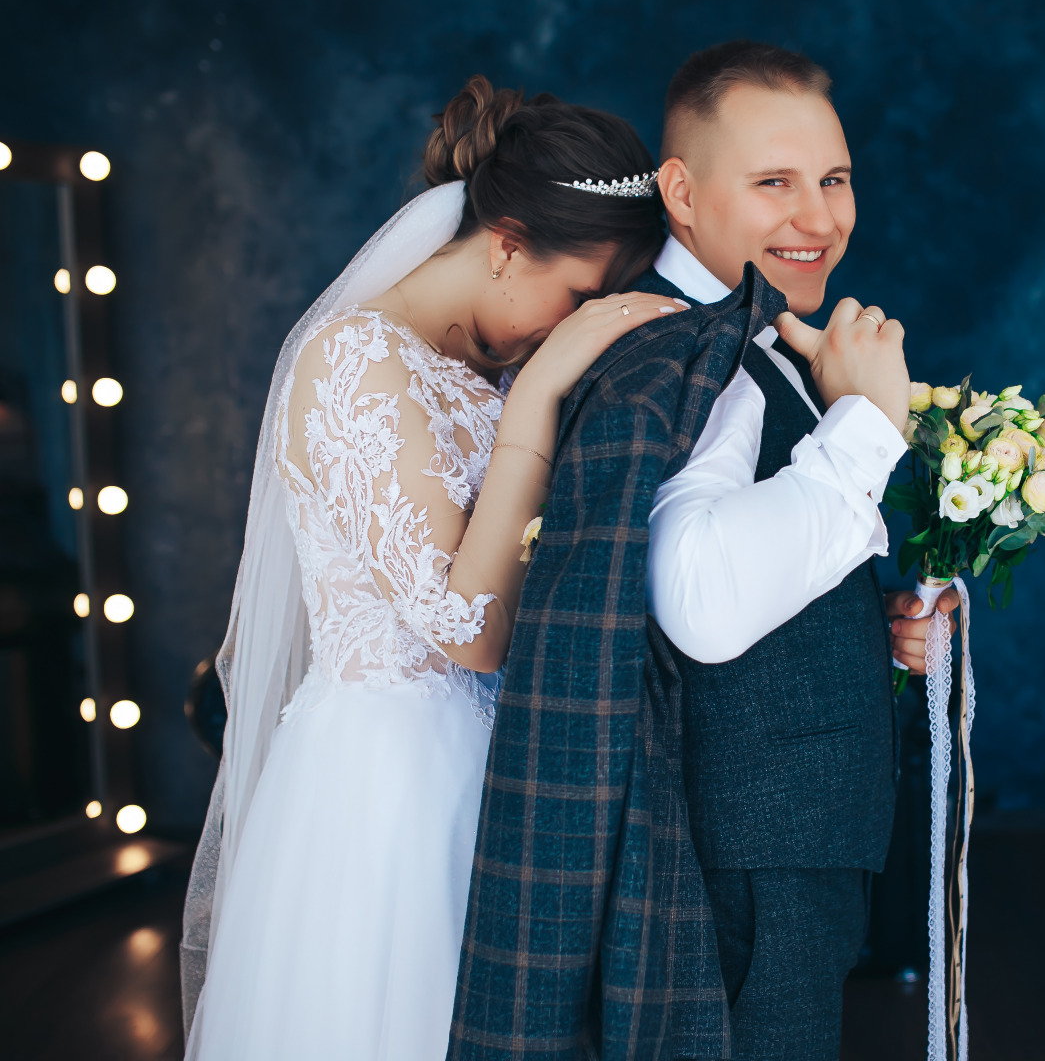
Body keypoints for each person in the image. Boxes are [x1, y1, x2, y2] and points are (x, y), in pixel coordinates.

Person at [451, 42, 957, 1061]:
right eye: (773, 182)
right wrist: (864, 428)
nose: (816, 217)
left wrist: (873, 627)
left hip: (776, 846)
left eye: (834, 179)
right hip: (749, 860)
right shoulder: (690, 350)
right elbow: (698, 599)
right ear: (678, 192)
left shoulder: (744, 338)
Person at [179, 76, 680, 1061]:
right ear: (503, 245)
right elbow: (467, 630)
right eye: (577, 295)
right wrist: (536, 400)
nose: (569, 327)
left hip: (511, 770)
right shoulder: (354, 360)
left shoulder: (480, 369)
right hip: (391, 787)